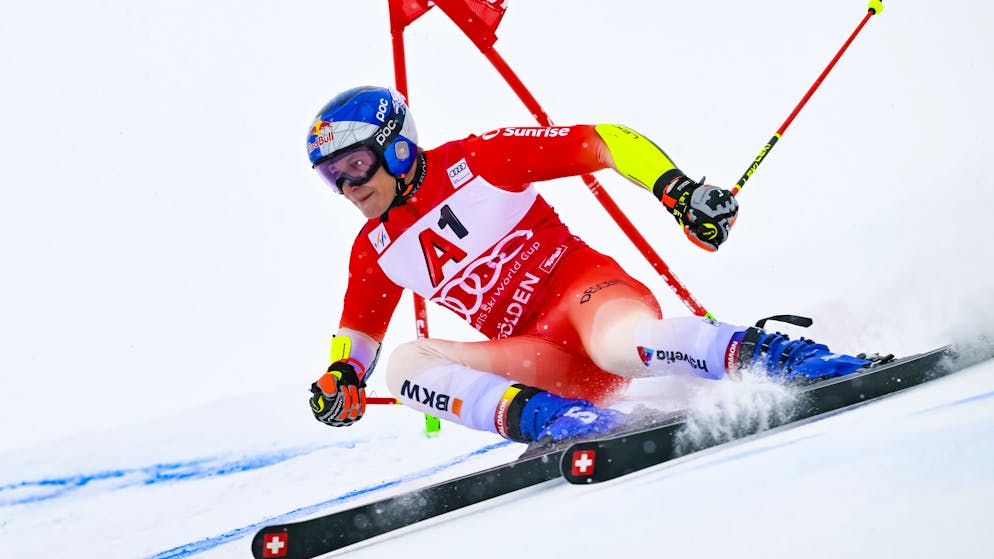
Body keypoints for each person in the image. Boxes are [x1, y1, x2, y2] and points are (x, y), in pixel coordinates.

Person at [305, 85, 872, 444]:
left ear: (397, 145)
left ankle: (775, 355)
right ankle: (558, 423)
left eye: (356, 164)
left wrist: (676, 190)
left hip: (586, 297)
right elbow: (357, 334)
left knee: (618, 345)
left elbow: (604, 140)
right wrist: (343, 376)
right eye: (334, 176)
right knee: (404, 366)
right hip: (543, 357)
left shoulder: (479, 158)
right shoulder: (372, 249)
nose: (349, 186)